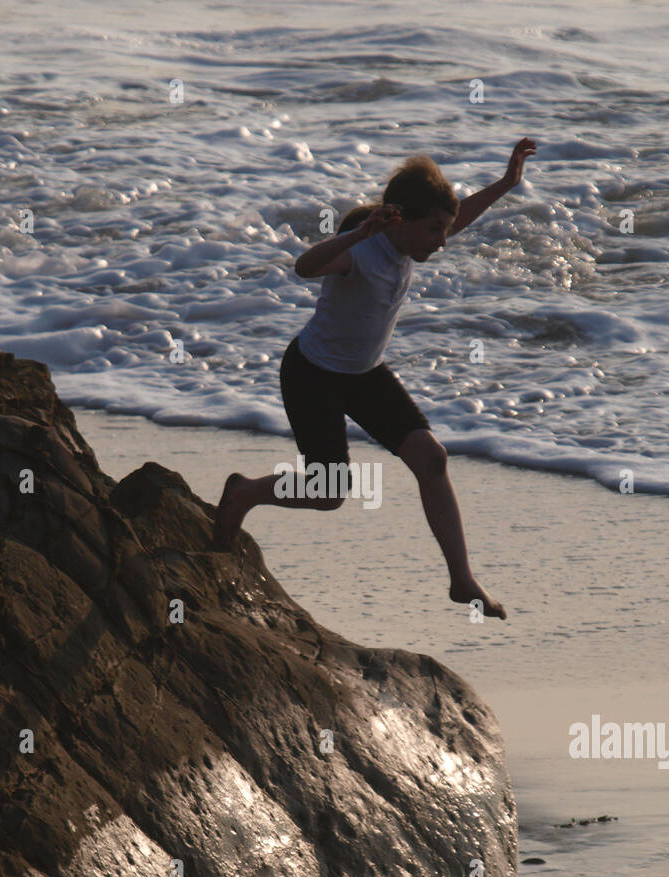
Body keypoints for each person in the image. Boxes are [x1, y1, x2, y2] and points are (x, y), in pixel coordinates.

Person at [213, 138, 537, 620]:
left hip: (365, 375)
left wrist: (507, 185)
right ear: (401, 222)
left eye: (444, 230)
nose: (443, 240)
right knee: (328, 493)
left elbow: (457, 216)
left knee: (431, 459)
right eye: (435, 230)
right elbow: (304, 267)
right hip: (313, 375)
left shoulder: (412, 243)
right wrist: (358, 233)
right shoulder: (361, 254)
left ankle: (461, 580)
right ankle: (244, 492)